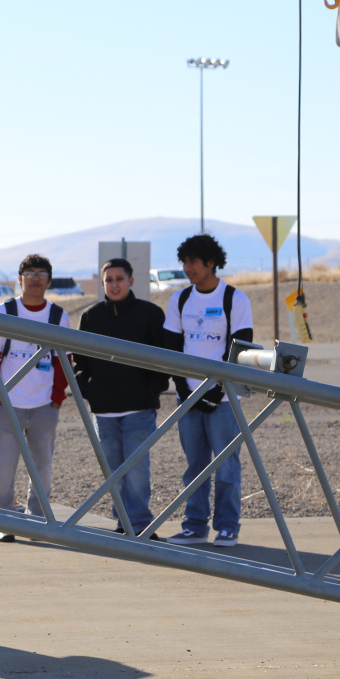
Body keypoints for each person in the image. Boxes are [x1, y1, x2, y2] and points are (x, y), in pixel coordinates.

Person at [163, 234, 253, 548]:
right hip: (187, 398)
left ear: (211, 262)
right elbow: (171, 348)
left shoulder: (235, 299)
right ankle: (195, 527)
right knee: (194, 466)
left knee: (227, 464)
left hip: (224, 400)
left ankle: (228, 527)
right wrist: (185, 390)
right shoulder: (180, 299)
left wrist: (216, 390)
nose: (187, 268)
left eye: (193, 262)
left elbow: (239, 349)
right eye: (184, 262)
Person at [74, 258, 169, 539]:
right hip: (103, 411)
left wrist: (153, 388)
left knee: (138, 472)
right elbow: (80, 360)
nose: (114, 284)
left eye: (119, 279)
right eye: (109, 280)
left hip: (140, 408)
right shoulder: (90, 317)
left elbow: (163, 357)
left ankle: (140, 525)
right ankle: (122, 523)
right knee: (113, 471)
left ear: (131, 281)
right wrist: (88, 389)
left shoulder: (150, 314)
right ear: (103, 284)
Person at [0, 254, 71, 543]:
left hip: (44, 406)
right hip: (7, 405)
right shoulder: (3, 311)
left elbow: (63, 361)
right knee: (5, 467)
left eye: (41, 273)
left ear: (48, 280)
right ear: (19, 280)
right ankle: (4, 520)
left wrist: (57, 397)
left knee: (42, 467)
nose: (35, 278)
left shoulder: (59, 317)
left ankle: (38, 520)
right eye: (30, 273)